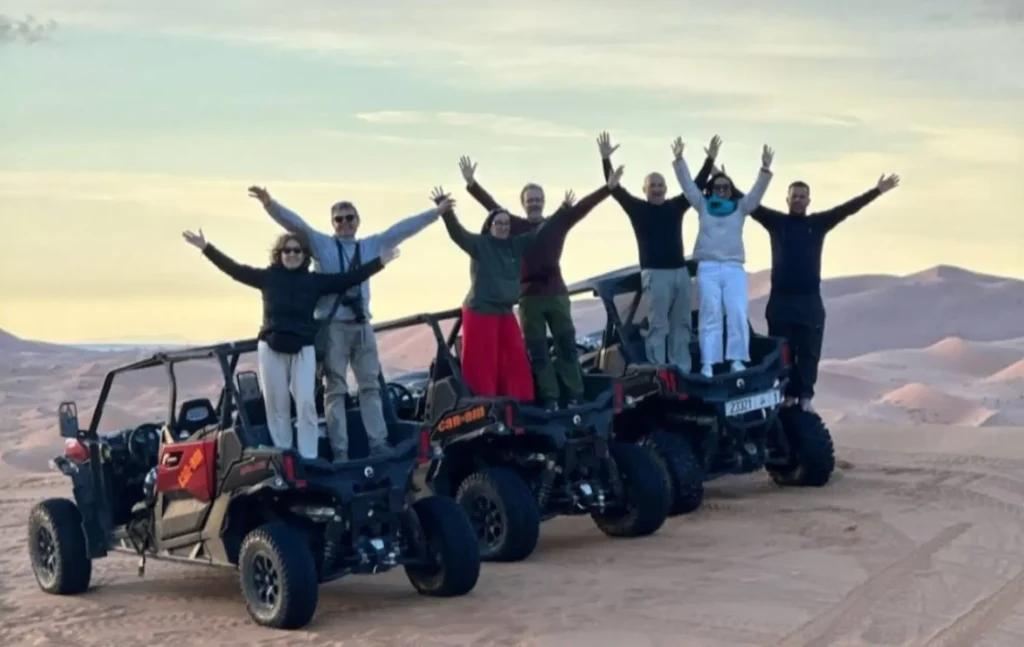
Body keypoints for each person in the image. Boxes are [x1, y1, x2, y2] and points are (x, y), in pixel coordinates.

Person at [247, 186, 442, 463]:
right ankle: (340, 453)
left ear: (358, 220)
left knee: (370, 387)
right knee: (335, 389)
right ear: (332, 223)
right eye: (339, 219)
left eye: (349, 217)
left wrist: (436, 213)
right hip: (334, 328)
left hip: (363, 327)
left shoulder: (370, 245)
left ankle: (379, 444)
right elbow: (295, 224)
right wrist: (270, 204)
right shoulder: (320, 244)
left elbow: (402, 230)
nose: (345, 223)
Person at [181, 228, 398, 460]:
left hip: (303, 347)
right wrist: (206, 248)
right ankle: (285, 455)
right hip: (272, 346)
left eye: (297, 251)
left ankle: (309, 457)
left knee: (305, 403)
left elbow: (347, 279)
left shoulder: (313, 281)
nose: (292, 254)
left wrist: (379, 263)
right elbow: (235, 270)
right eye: (287, 250)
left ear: (305, 255)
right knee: (277, 405)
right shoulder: (268, 277)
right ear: (279, 254)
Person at [433, 168, 623, 400]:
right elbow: (490, 209)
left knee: (567, 346)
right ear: (522, 203)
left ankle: (575, 394)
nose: (534, 203)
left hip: (556, 295)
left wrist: (607, 188)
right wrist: (472, 185)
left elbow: (582, 207)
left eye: (538, 199)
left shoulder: (550, 226)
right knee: (537, 351)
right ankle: (548, 398)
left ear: (544, 202)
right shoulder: (511, 230)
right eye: (530, 199)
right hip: (527, 299)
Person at [738, 173, 901, 411]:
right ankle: (785, 395)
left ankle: (804, 397)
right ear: (787, 199)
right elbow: (749, 203)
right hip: (781, 302)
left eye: (802, 196)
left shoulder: (818, 223)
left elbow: (847, 209)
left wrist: (877, 191)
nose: (798, 200)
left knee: (808, 352)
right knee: (782, 352)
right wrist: (720, 178)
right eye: (794, 196)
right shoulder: (776, 222)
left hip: (809, 302)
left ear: (808, 200)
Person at [597, 131, 715, 373]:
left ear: (666, 187)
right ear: (644, 189)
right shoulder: (637, 208)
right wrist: (605, 160)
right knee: (658, 325)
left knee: (681, 324)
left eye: (661, 185)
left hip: (680, 273)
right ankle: (660, 371)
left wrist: (710, 160)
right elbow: (614, 189)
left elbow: (697, 186)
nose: (657, 189)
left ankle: (681, 369)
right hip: (655, 275)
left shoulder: (675, 206)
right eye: (653, 185)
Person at [671, 135, 774, 378]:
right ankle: (709, 363)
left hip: (733, 268)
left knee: (737, 311)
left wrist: (765, 169)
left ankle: (737, 359)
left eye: (725, 188)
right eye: (717, 188)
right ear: (711, 190)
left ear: (731, 190)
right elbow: (687, 186)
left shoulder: (740, 207)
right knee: (710, 314)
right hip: (707, 267)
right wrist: (679, 160)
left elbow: (756, 194)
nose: (721, 191)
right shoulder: (702, 204)